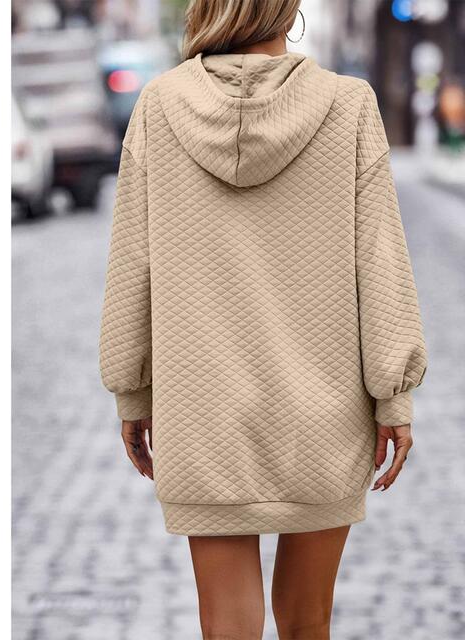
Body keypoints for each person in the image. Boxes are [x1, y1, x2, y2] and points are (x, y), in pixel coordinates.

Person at [99, 1, 428, 637]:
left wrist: (132, 390)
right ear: (290, 8)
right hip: (325, 415)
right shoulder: (349, 106)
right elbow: (381, 262)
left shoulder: (158, 107)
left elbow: (132, 266)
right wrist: (393, 396)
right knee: (308, 622)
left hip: (202, 415)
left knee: (226, 625)